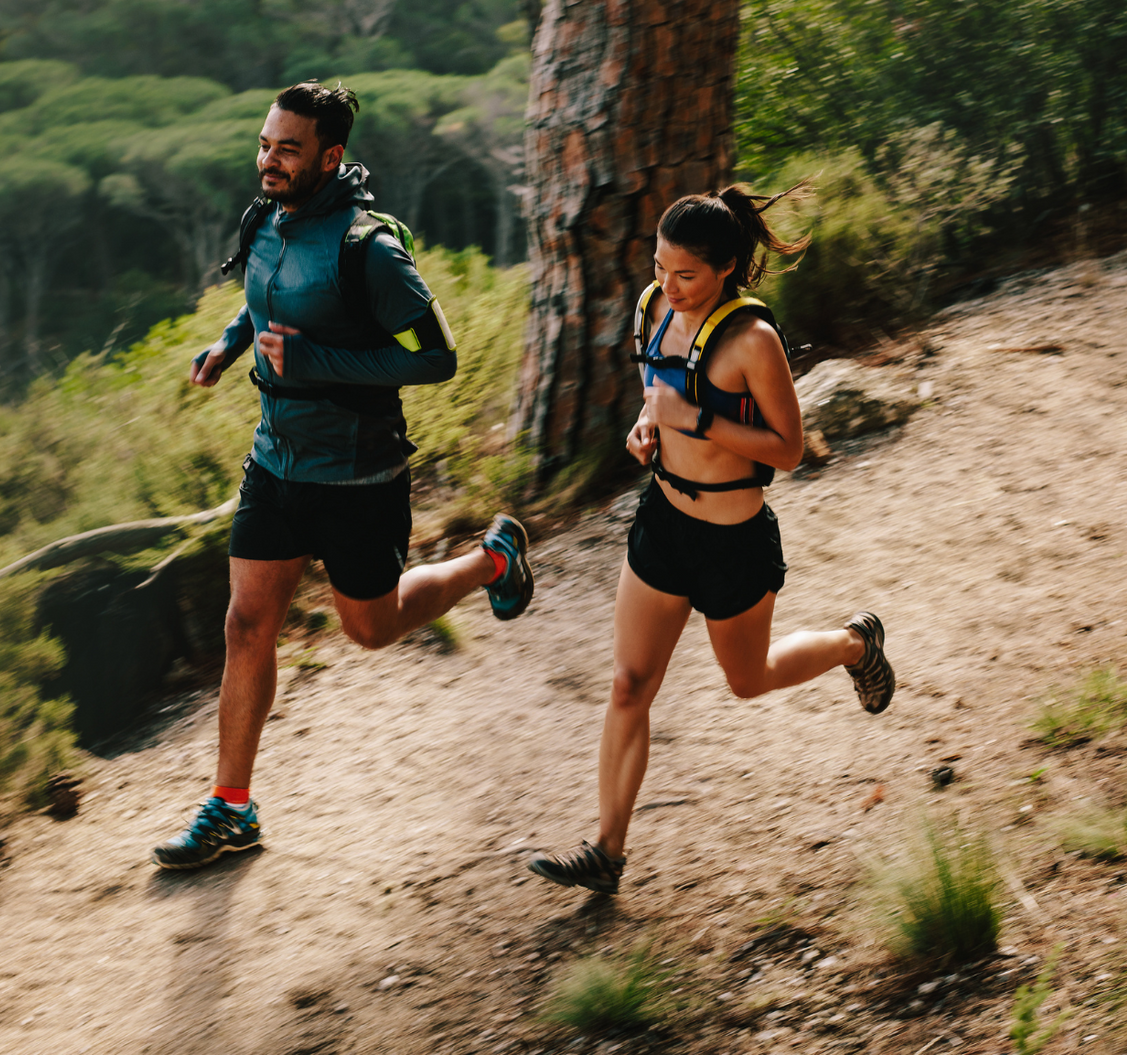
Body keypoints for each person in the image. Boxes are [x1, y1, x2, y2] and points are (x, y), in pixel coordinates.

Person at [153, 81, 532, 871]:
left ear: (331, 156)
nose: (269, 160)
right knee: (246, 624)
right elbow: (267, 301)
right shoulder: (269, 219)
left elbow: (436, 356)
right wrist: (230, 345)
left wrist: (317, 359)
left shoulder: (370, 249)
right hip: (275, 464)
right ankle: (231, 807)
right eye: (265, 144)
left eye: (287, 149)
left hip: (359, 477)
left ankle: (491, 560)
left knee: (371, 627)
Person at [526, 186, 895, 897]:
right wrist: (649, 425)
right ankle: (607, 850)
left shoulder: (753, 341)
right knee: (630, 684)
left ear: (726, 268)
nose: (668, 286)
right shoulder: (655, 308)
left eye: (685, 275)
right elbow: (662, 391)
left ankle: (857, 644)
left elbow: (788, 448)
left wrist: (692, 420)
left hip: (732, 541)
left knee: (746, 680)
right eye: (660, 267)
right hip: (663, 522)